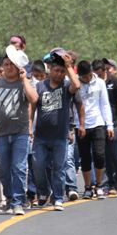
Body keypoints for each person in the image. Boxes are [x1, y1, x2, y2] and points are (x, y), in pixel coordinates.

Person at [0, 46, 38, 215]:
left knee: (19, 167)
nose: (8, 67)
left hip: (21, 132)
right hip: (1, 133)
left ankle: (18, 201)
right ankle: (9, 197)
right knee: (3, 168)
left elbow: (34, 99)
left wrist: (24, 79)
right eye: (6, 64)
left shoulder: (25, 83)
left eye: (11, 64)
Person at [32, 51, 80, 211]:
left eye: (62, 71)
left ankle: (58, 198)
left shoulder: (66, 87)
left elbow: (77, 85)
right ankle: (44, 192)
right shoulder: (40, 86)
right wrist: (29, 126)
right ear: (50, 70)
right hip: (41, 136)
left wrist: (69, 66)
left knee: (59, 168)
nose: (59, 74)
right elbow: (32, 107)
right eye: (56, 70)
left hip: (60, 136)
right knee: (38, 165)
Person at [76, 60, 114, 199]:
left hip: (98, 122)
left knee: (99, 155)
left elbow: (104, 104)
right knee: (85, 157)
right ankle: (87, 187)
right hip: (81, 125)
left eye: (88, 76)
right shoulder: (76, 84)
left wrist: (109, 124)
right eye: (83, 77)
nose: (86, 79)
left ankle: (99, 185)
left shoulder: (100, 83)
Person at [93, 59, 117, 195]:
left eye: (100, 74)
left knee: (116, 156)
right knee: (103, 156)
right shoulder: (93, 83)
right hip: (99, 125)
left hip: (115, 124)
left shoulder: (115, 81)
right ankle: (107, 185)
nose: (97, 77)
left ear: (105, 71)